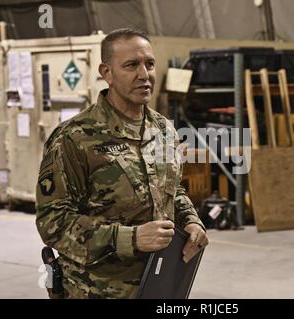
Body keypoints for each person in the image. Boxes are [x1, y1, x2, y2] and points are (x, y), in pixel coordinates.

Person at [35, 28, 208, 299]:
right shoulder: (74, 138)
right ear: (107, 73)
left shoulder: (164, 130)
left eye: (149, 64)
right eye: (131, 65)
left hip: (158, 284)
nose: (144, 74)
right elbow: (52, 222)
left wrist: (191, 221)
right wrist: (131, 238)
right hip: (94, 290)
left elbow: (174, 192)